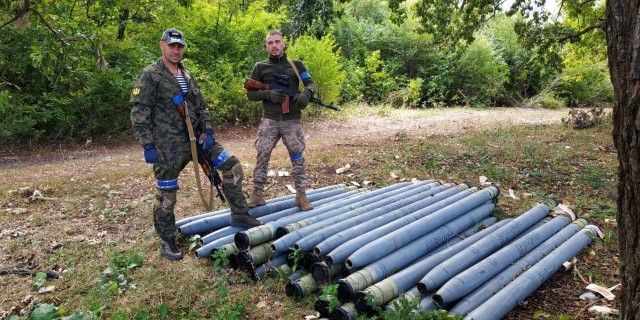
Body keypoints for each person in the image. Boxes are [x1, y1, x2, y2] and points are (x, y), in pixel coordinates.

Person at [130, 28, 262, 261]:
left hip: (200, 140)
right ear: (162, 45)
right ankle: (167, 238)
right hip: (168, 145)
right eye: (171, 45)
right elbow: (139, 112)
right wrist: (147, 145)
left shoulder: (187, 75)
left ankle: (240, 214)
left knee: (231, 165)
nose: (176, 50)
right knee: (167, 191)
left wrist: (208, 131)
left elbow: (202, 106)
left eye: (180, 46)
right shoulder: (150, 75)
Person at [245, 30, 317, 211]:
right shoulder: (260, 67)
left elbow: (311, 84)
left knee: (297, 156)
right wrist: (267, 94)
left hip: (292, 120)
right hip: (269, 120)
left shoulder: (296, 65)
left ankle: (301, 195)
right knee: (262, 155)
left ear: (284, 44)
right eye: (270, 43)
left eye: (277, 42)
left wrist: (307, 93)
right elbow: (250, 93)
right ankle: (257, 194)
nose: (274, 46)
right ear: (266, 46)